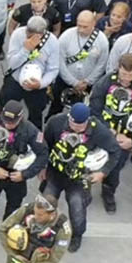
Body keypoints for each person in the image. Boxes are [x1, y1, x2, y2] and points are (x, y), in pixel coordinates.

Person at [42, 102, 120, 251]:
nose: (76, 128)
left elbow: (115, 151)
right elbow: (46, 145)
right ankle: (45, 231)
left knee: (77, 207)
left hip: (79, 177)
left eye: (81, 125)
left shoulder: (99, 131)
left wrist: (103, 172)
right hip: (56, 172)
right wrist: (44, 167)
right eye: (73, 123)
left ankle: (77, 235)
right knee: (46, 204)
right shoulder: (56, 122)